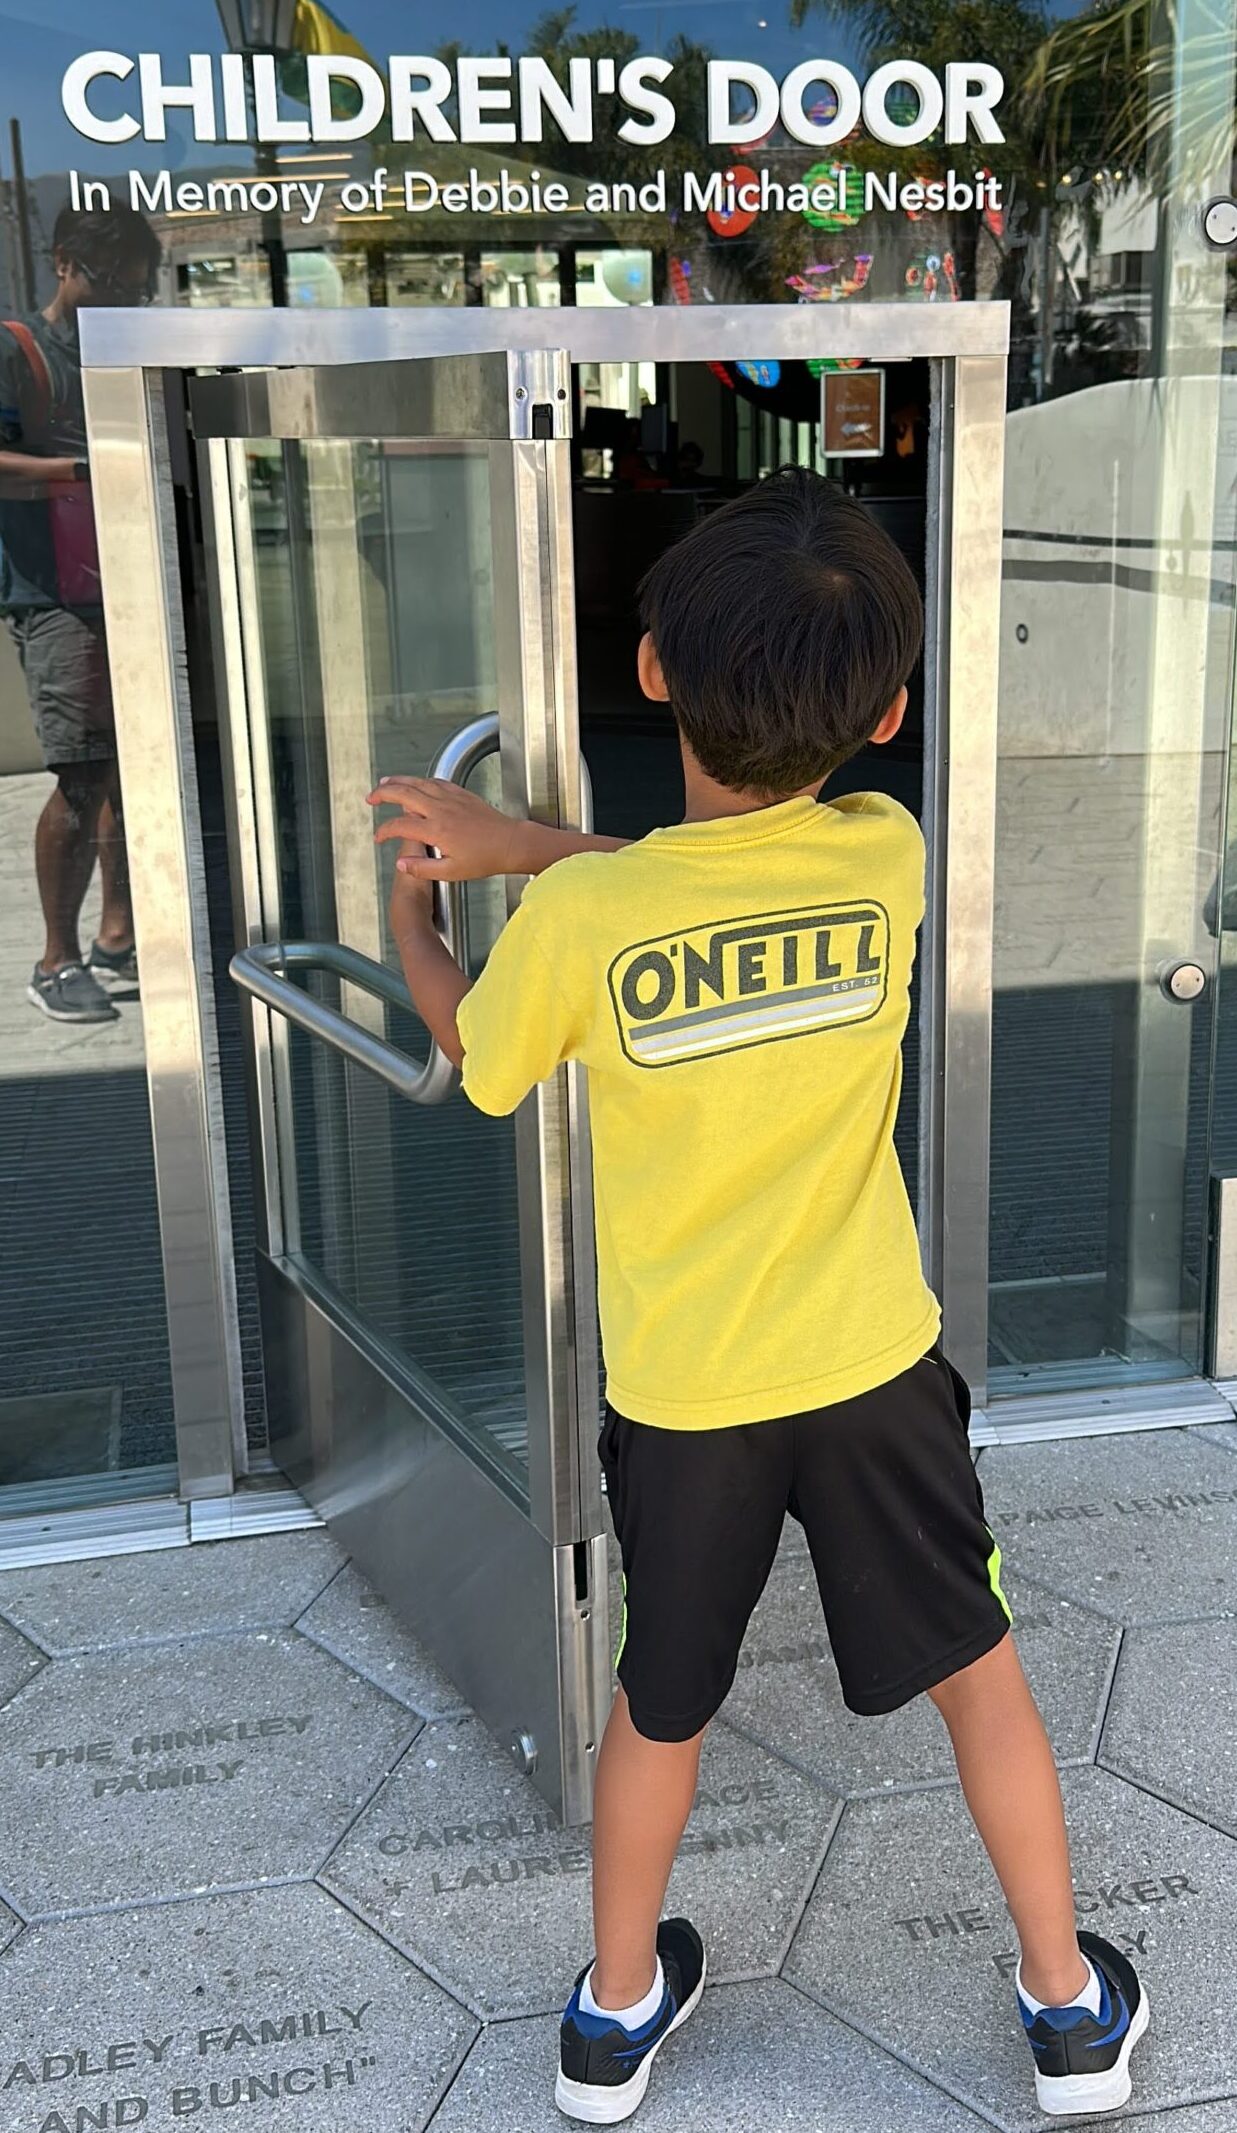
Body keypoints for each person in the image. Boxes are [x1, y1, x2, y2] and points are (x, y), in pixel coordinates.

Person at [368, 468, 1148, 2125]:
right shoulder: (888, 851)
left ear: (649, 674)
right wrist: (554, 855)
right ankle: (1069, 2012)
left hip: (688, 1394)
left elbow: (478, 1048)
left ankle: (613, 2011)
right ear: (887, 710)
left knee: (662, 1694)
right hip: (874, 1364)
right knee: (980, 1666)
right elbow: (731, 873)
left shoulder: (584, 918)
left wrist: (430, 905)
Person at [0, 202, 161, 1024]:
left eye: (137, 289)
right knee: (78, 774)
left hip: (130, 577)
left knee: (130, 775)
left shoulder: (123, 348)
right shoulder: (18, 348)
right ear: (64, 264)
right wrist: (81, 468)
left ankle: (117, 933)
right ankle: (55, 959)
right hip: (56, 595)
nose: (124, 302)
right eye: (112, 285)